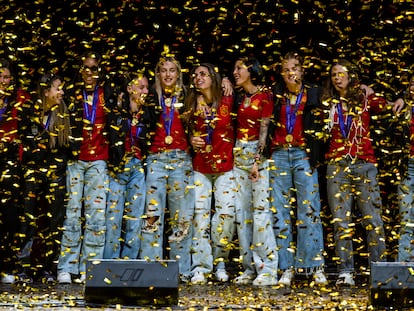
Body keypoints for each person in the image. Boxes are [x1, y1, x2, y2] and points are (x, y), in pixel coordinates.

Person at [322, 58, 387, 286]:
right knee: (341, 221)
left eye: (341, 73)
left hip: (364, 164)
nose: (337, 77)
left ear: (351, 76)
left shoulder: (364, 98)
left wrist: (370, 91)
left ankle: (379, 272)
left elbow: (385, 105)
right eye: (333, 74)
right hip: (337, 166)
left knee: (373, 220)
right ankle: (345, 272)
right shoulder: (327, 101)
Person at [268, 52, 327, 287]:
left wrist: (364, 86)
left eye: (295, 67)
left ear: (302, 70)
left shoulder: (314, 92)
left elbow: (341, 91)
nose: (291, 72)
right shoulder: (274, 94)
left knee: (309, 210)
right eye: (286, 69)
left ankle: (314, 266)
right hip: (280, 154)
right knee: (280, 213)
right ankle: (286, 267)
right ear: (282, 74)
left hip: (303, 154)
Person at [57, 51, 116, 284]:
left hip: (99, 159)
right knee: (72, 212)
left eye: (94, 68)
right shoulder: (72, 94)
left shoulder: (107, 94)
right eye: (85, 68)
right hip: (76, 159)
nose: (89, 73)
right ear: (79, 70)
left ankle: (90, 266)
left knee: (96, 215)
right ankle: (67, 267)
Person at [139, 55, 195, 281]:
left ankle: (180, 270)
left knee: (181, 217)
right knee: (152, 215)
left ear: (178, 74)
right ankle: (151, 267)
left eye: (172, 70)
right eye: (163, 70)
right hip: (157, 158)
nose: (168, 74)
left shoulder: (189, 96)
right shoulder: (152, 97)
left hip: (181, 159)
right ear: (158, 74)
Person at [18, 73, 71, 283]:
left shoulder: (64, 115)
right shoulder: (29, 113)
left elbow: (66, 149)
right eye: (58, 88)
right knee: (28, 218)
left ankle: (49, 268)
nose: (62, 92)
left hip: (55, 175)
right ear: (46, 91)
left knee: (54, 220)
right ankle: (23, 267)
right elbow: (24, 148)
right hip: (32, 173)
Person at [186, 63, 236, 284]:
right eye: (195, 75)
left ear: (213, 77)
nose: (198, 78)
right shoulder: (190, 101)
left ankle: (221, 261)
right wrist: (190, 140)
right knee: (200, 217)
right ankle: (200, 265)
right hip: (200, 168)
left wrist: (227, 77)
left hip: (226, 166)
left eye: (203, 74)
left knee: (225, 216)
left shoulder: (227, 99)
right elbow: (183, 131)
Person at [231, 56, 279, 285]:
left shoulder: (265, 96)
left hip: (257, 156)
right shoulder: (240, 97)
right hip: (238, 153)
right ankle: (249, 266)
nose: (235, 72)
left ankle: (268, 268)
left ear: (251, 70)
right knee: (242, 214)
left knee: (260, 212)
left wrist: (257, 160)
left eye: (239, 68)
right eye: (234, 68)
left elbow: (265, 128)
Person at [104, 71, 149, 259]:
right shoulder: (116, 112)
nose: (145, 91)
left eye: (147, 87)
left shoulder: (148, 113)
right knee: (113, 217)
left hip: (137, 167)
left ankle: (129, 260)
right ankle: (109, 261)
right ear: (130, 89)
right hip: (117, 168)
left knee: (135, 218)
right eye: (141, 87)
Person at [0, 58, 28, 284]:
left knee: (9, 215)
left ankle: (8, 265)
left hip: (10, 159)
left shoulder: (20, 98)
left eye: (7, 77)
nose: (2, 81)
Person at [396, 73, 414, 262]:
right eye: (411, 84)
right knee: (407, 219)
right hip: (408, 166)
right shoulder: (403, 109)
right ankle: (404, 267)